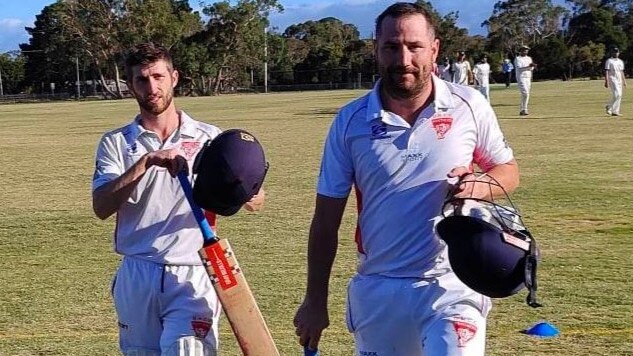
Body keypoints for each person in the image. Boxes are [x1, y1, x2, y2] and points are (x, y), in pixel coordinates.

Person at [293, 2, 519, 355]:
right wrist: (314, 300)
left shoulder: (469, 105)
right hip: (379, 287)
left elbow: (508, 171)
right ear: (376, 50)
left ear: (434, 49)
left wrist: (478, 186)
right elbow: (325, 221)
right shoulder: (350, 122)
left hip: (452, 284)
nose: (403, 60)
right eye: (391, 47)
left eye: (414, 47)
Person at [91, 42, 265, 355]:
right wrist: (145, 163)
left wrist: (239, 188)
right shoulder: (116, 142)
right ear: (130, 85)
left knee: (188, 350)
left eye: (158, 76)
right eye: (142, 80)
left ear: (174, 77)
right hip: (138, 271)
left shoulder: (208, 137)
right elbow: (101, 207)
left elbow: (255, 200)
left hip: (193, 270)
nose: (151, 87)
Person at [604, 47, 627, 116]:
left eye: (617, 52)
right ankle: (609, 106)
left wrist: (624, 81)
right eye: (614, 52)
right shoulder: (609, 61)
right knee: (617, 94)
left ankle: (615, 111)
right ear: (612, 53)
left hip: (619, 79)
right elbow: (606, 71)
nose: (616, 53)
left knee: (619, 95)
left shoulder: (620, 61)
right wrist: (606, 81)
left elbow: (621, 72)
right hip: (612, 79)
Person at [514, 45, 536, 116]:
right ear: (520, 51)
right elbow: (519, 68)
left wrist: (532, 66)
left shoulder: (529, 58)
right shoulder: (518, 59)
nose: (525, 51)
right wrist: (529, 66)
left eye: (526, 50)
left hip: (528, 77)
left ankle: (522, 109)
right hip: (521, 77)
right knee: (525, 93)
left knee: (527, 94)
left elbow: (531, 68)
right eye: (524, 50)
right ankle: (524, 109)